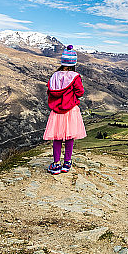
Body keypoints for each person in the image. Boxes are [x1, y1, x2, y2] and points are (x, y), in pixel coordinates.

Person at [43, 45, 86, 175]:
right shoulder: (75, 76)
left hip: (56, 112)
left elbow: (49, 91)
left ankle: (56, 164)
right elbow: (80, 92)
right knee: (69, 136)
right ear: (74, 63)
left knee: (57, 137)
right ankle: (67, 163)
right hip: (71, 111)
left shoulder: (54, 76)